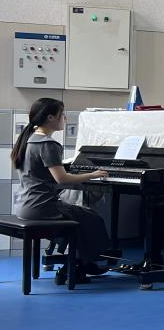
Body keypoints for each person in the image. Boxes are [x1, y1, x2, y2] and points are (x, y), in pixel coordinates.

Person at [11, 97, 110, 285]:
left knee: (80, 216)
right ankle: (78, 266)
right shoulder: (48, 144)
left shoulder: (28, 140)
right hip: (42, 207)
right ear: (50, 117)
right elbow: (61, 179)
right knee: (92, 218)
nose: (65, 118)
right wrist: (93, 174)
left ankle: (79, 262)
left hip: (24, 206)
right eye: (62, 114)